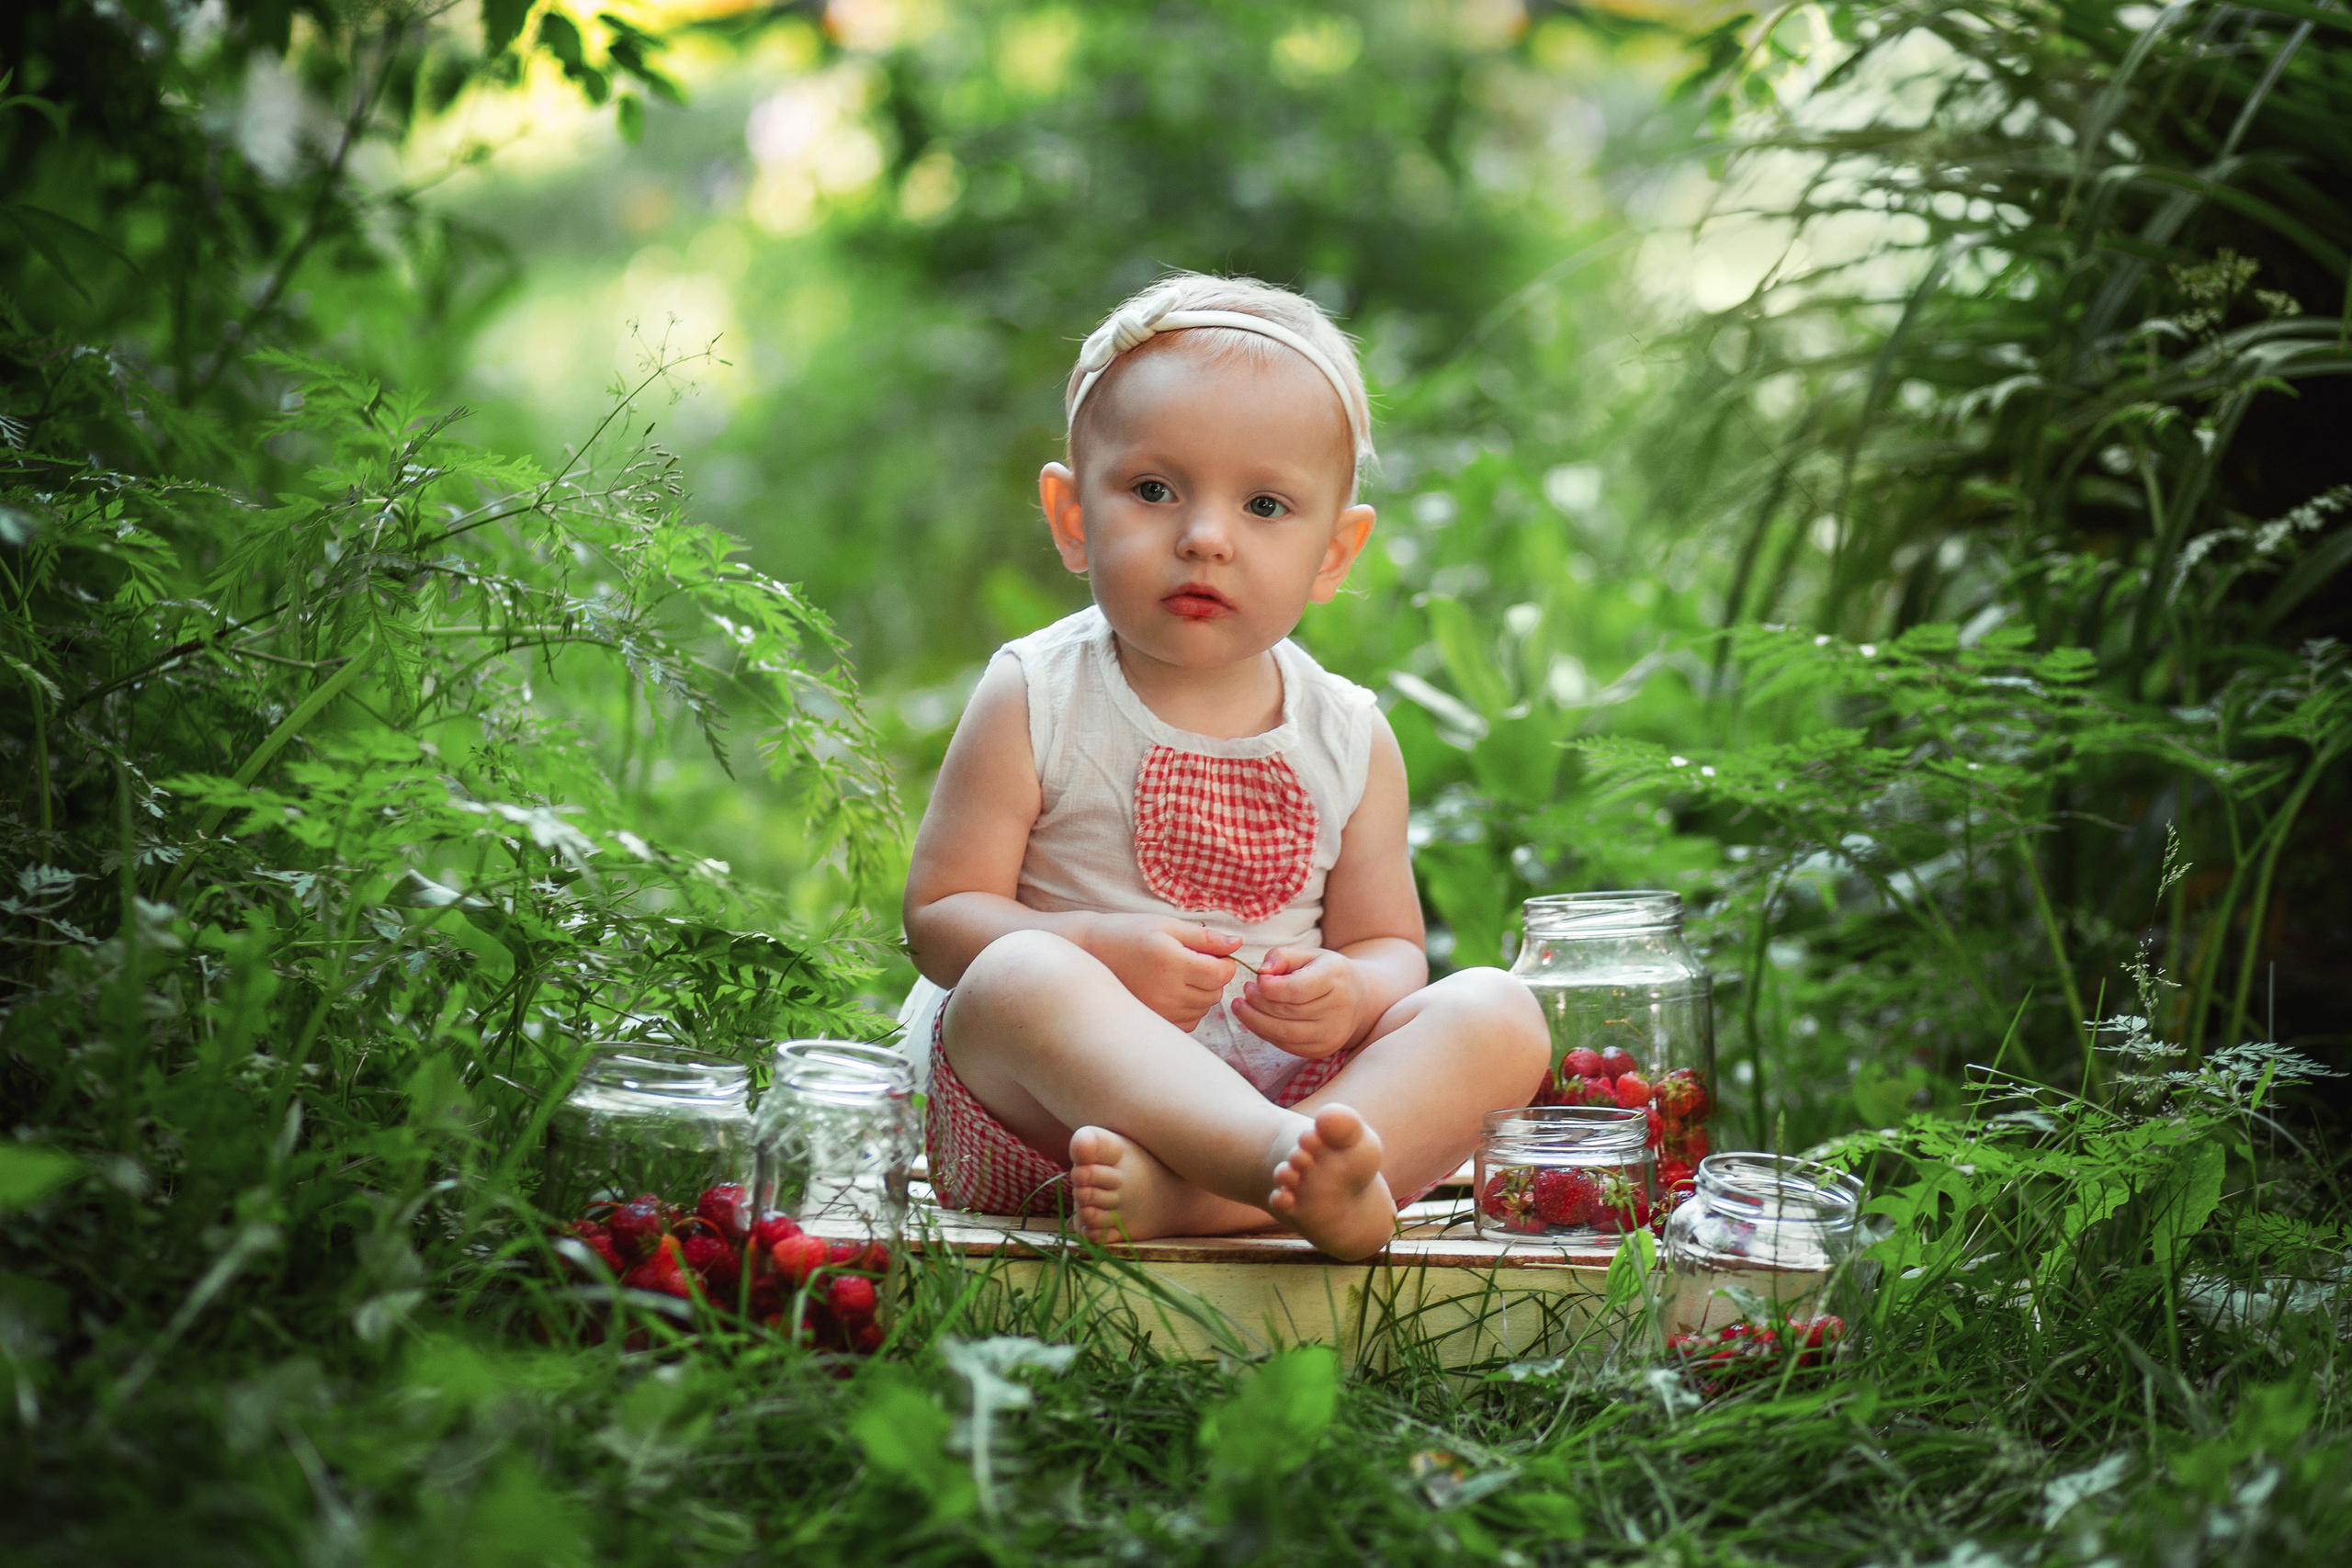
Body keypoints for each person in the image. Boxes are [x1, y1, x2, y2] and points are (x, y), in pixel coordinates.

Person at [898, 273, 1548, 1263]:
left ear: (1334, 554)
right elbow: (942, 924)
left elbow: (1390, 948)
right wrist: (1095, 947)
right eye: (1154, 490)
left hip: (1282, 1092)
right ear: (1073, 516)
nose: (1205, 537)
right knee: (1019, 973)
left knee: (1500, 1014)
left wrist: (1352, 992)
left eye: (1264, 504)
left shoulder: (1347, 734)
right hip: (1052, 1121)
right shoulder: (1037, 691)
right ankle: (1272, 1172)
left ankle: (1209, 1200)